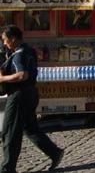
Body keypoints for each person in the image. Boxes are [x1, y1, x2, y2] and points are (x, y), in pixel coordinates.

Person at [0, 26, 64, 172]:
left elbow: (23, 75)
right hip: (30, 93)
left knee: (10, 131)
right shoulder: (29, 50)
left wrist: (3, 78)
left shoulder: (19, 54)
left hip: (19, 95)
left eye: (5, 40)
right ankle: (54, 152)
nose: (4, 43)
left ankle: (7, 168)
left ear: (13, 39)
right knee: (30, 128)